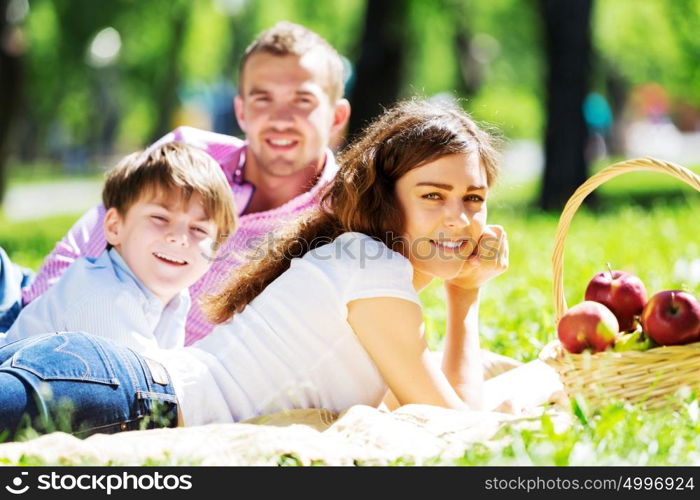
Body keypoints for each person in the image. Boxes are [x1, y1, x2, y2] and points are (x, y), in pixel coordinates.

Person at [0, 100, 564, 440]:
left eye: (473, 198)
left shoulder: (366, 269)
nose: (459, 218)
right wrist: (546, 378)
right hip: (120, 392)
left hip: (106, 383)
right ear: (386, 199)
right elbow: (454, 425)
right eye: (433, 195)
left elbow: (448, 408)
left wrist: (466, 297)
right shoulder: (371, 267)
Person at [0, 21, 351, 345]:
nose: (280, 119)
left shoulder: (343, 213)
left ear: (337, 117)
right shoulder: (189, 152)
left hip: (150, 363)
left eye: (302, 101)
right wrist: (31, 332)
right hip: (48, 313)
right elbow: (85, 247)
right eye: (263, 99)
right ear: (241, 111)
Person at [1, 143, 237, 352]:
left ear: (216, 249)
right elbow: (152, 391)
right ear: (115, 227)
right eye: (160, 218)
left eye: (199, 230)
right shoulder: (104, 294)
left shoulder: (175, 297)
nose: (179, 237)